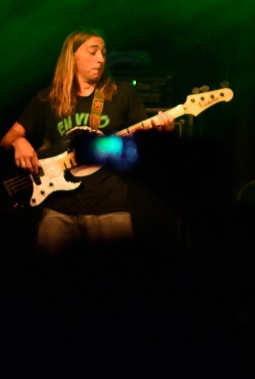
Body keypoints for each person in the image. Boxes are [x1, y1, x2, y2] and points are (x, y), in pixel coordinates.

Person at [0, 29, 172, 255]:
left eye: (103, 52)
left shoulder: (121, 94)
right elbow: (8, 138)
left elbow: (147, 146)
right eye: (93, 52)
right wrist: (19, 142)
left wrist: (163, 129)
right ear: (72, 57)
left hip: (110, 209)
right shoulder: (47, 98)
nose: (101, 58)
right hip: (57, 210)